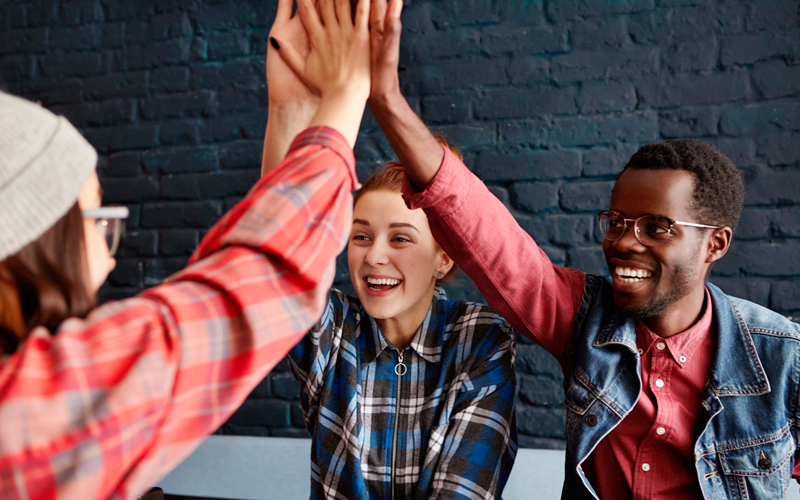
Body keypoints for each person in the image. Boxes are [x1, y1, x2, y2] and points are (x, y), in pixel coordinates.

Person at [294, 1, 800, 498]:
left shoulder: (783, 358)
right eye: (619, 222)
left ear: (715, 243)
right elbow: (484, 230)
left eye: (657, 227)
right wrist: (384, 98)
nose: (625, 241)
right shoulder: (586, 322)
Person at [0, 0, 371, 498]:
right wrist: (346, 95)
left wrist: (293, 112)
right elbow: (243, 289)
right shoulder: (26, 412)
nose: (111, 255)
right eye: (96, 222)